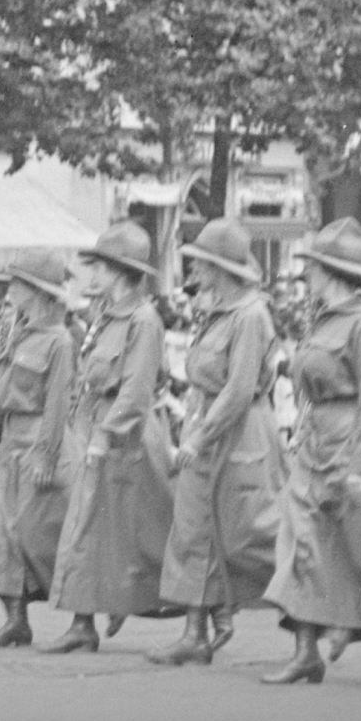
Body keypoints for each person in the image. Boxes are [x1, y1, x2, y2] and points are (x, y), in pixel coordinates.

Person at [257, 218, 361, 685]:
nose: (309, 275)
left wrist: (359, 463)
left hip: (351, 441)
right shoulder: (320, 319)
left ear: (334, 272)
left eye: (316, 267)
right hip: (315, 439)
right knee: (302, 541)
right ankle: (306, 651)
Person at [149, 220, 282, 666]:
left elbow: (240, 390)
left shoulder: (249, 316)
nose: (193, 269)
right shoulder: (221, 310)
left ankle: (312, 608)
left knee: (248, 532)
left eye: (200, 262)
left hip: (237, 432)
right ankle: (196, 632)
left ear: (219, 267)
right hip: (207, 428)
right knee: (192, 527)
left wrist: (201, 436)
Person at [43, 223, 176, 653]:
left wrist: (102, 438)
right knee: (92, 528)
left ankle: (205, 609)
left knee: (132, 533)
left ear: (119, 271)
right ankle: (84, 622)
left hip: (126, 439)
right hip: (100, 430)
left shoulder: (143, 320)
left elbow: (137, 391)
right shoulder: (107, 316)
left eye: (99, 266)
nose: (92, 274)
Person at [0, 251, 79, 647]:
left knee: (42, 535)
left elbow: (57, 402)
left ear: (36, 291)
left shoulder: (59, 341)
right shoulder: (16, 333)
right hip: (11, 444)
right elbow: (1, 399)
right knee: (3, 535)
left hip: (39, 440)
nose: (10, 291)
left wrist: (47, 454)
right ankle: (16, 619)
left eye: (17, 284)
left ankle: (80, 617)